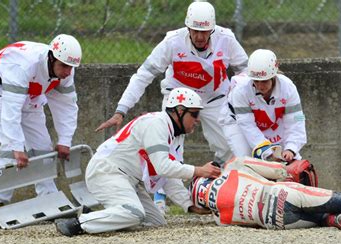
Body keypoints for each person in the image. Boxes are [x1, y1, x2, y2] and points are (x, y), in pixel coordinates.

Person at [96, 1, 248, 213]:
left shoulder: (227, 38)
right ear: (188, 28)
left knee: (228, 144)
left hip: (215, 98)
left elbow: (246, 70)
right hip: (178, 102)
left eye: (205, 32)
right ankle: (160, 196)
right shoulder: (172, 41)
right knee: (167, 150)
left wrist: (242, 102)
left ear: (213, 29)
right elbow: (144, 74)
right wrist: (121, 109)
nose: (200, 37)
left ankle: (218, 189)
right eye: (195, 31)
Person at [55, 88, 221, 237]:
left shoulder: (177, 135)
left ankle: (101, 216)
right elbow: (163, 166)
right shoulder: (156, 124)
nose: (198, 120)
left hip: (126, 178)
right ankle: (78, 223)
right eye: (195, 114)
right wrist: (199, 170)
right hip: (106, 171)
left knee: (156, 222)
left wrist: (190, 205)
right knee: (134, 213)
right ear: (179, 111)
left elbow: (168, 176)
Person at [189, 156, 341, 235]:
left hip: (274, 221)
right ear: (209, 176)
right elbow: (279, 171)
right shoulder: (233, 166)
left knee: (322, 219)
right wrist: (283, 172)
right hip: (281, 193)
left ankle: (337, 221)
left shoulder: (220, 218)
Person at [0, 34, 82, 208]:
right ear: (51, 57)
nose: (67, 73)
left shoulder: (65, 70)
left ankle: (48, 199)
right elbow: (11, 110)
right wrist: (18, 147)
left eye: (71, 67)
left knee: (42, 147)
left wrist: (65, 140)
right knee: (9, 148)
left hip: (29, 93)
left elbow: (67, 106)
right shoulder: (23, 65)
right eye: (64, 66)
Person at [219, 49, 306, 163]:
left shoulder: (288, 88)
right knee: (247, 160)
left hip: (271, 120)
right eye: (256, 81)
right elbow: (247, 125)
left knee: (290, 158)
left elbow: (297, 119)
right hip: (236, 120)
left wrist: (291, 149)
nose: (260, 86)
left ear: (273, 76)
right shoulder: (241, 90)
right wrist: (268, 152)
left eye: (264, 81)